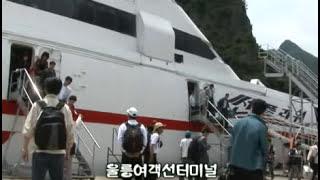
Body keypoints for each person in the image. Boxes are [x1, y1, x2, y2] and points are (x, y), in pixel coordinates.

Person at [21, 77, 74, 180]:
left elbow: (28, 129)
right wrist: (68, 151)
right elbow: (70, 132)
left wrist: (24, 148)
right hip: (58, 153)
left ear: (45, 89)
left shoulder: (38, 105)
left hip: (39, 152)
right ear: (59, 90)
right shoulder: (65, 108)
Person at [229, 99, 268, 180]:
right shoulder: (261, 127)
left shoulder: (238, 123)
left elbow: (231, 144)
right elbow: (264, 149)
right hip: (253, 169)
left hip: (235, 167)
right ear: (263, 112)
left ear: (252, 108)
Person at [117, 107, 148, 180]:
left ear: (128, 115)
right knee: (138, 177)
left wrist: (124, 151)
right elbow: (145, 141)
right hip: (138, 156)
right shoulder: (142, 126)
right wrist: (140, 152)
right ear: (136, 116)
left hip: (126, 156)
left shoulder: (123, 126)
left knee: (126, 177)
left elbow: (119, 140)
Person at [64, 95, 82, 180]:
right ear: (69, 100)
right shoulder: (64, 108)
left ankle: (68, 178)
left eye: (74, 102)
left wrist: (79, 119)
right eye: (72, 101)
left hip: (71, 140)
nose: (73, 103)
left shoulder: (73, 109)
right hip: (65, 139)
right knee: (63, 162)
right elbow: (72, 123)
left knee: (69, 163)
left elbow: (74, 124)